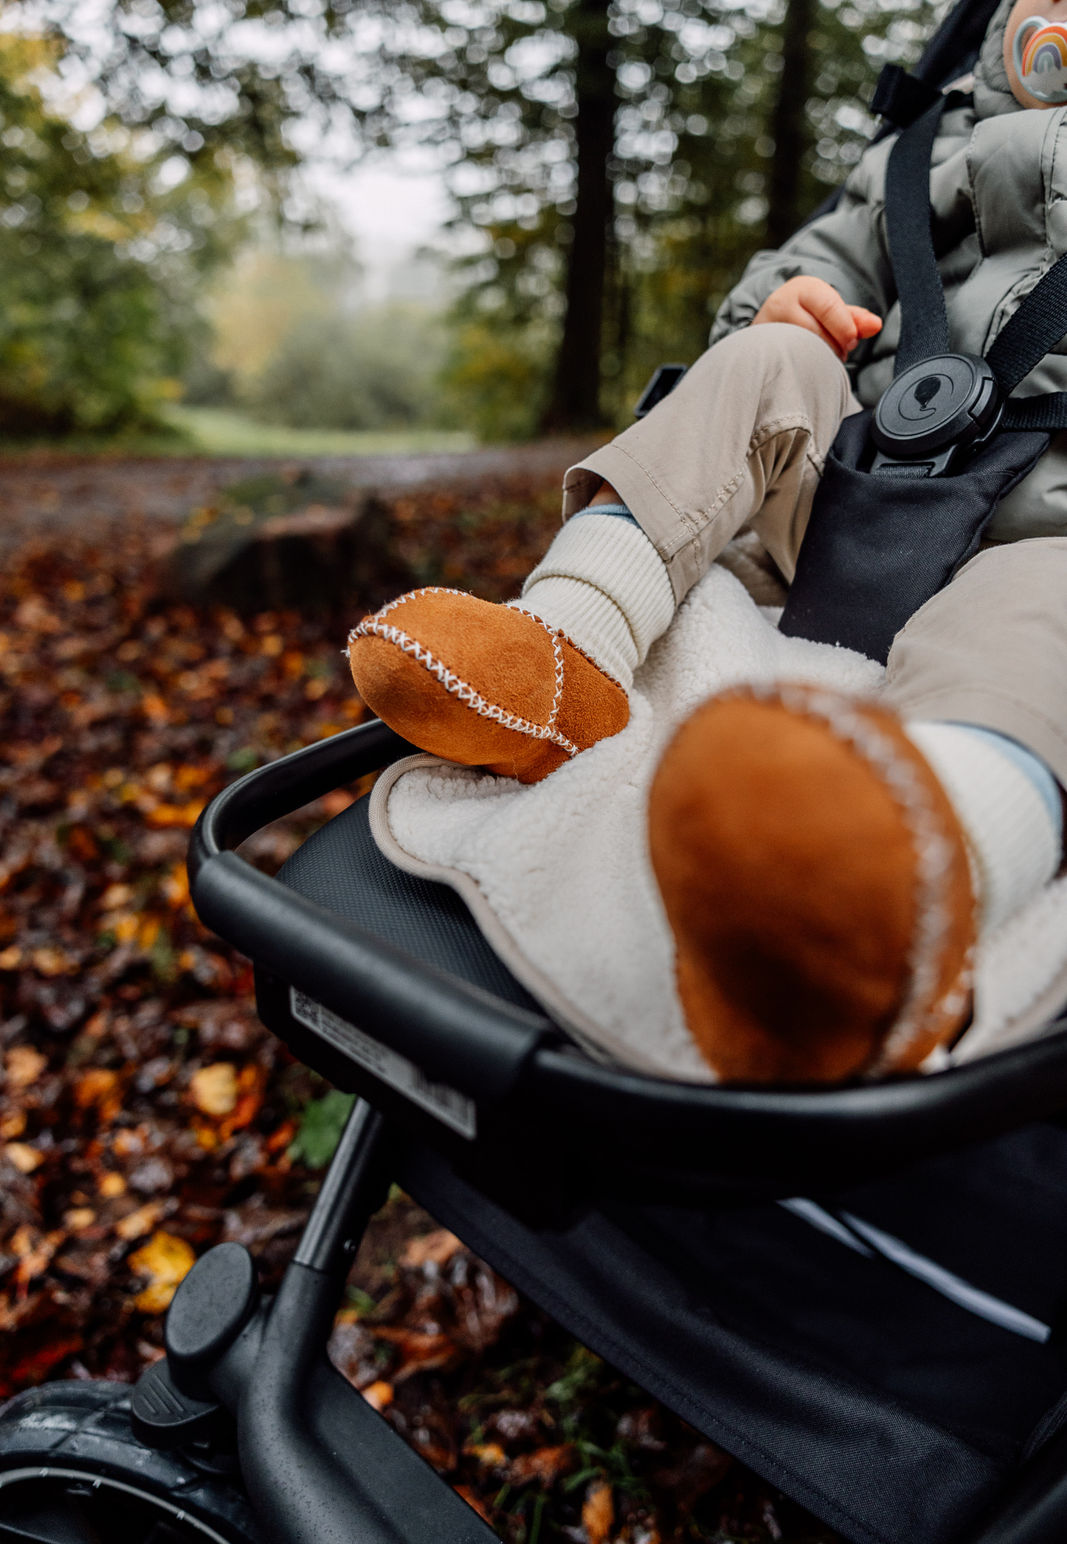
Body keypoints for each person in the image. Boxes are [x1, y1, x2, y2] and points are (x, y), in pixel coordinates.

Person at [349, 0, 1067, 1086]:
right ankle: (563, 654)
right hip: (855, 489)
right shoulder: (921, 148)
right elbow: (792, 280)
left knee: (1046, 617)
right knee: (760, 365)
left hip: (1038, 542)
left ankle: (898, 888)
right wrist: (780, 311)